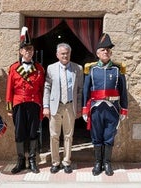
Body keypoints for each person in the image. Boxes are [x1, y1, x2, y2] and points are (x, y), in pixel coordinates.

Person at [82, 33, 128, 176]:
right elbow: (85, 91)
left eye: (108, 50)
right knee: (96, 136)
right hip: (96, 109)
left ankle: (107, 163)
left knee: (109, 136)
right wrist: (84, 109)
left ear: (111, 52)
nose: (106, 52)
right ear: (97, 53)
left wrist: (124, 110)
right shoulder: (92, 70)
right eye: (103, 50)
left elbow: (123, 91)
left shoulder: (117, 70)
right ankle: (97, 163)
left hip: (112, 109)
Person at [6, 26, 45, 174]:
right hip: (19, 105)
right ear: (21, 51)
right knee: (19, 133)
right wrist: (9, 108)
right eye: (26, 49)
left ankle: (33, 161)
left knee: (33, 132)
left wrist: (42, 106)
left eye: (31, 49)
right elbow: (10, 89)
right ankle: (20, 161)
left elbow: (41, 89)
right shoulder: (14, 68)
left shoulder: (40, 69)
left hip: (34, 104)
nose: (29, 52)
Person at [43, 43, 83, 174]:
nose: (65, 55)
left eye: (67, 53)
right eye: (62, 53)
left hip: (70, 106)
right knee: (54, 135)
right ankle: (55, 162)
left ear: (70, 54)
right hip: (55, 105)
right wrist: (46, 106)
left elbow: (79, 90)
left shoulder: (78, 68)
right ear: (57, 55)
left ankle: (66, 162)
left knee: (68, 136)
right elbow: (47, 88)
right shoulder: (51, 68)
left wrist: (78, 108)